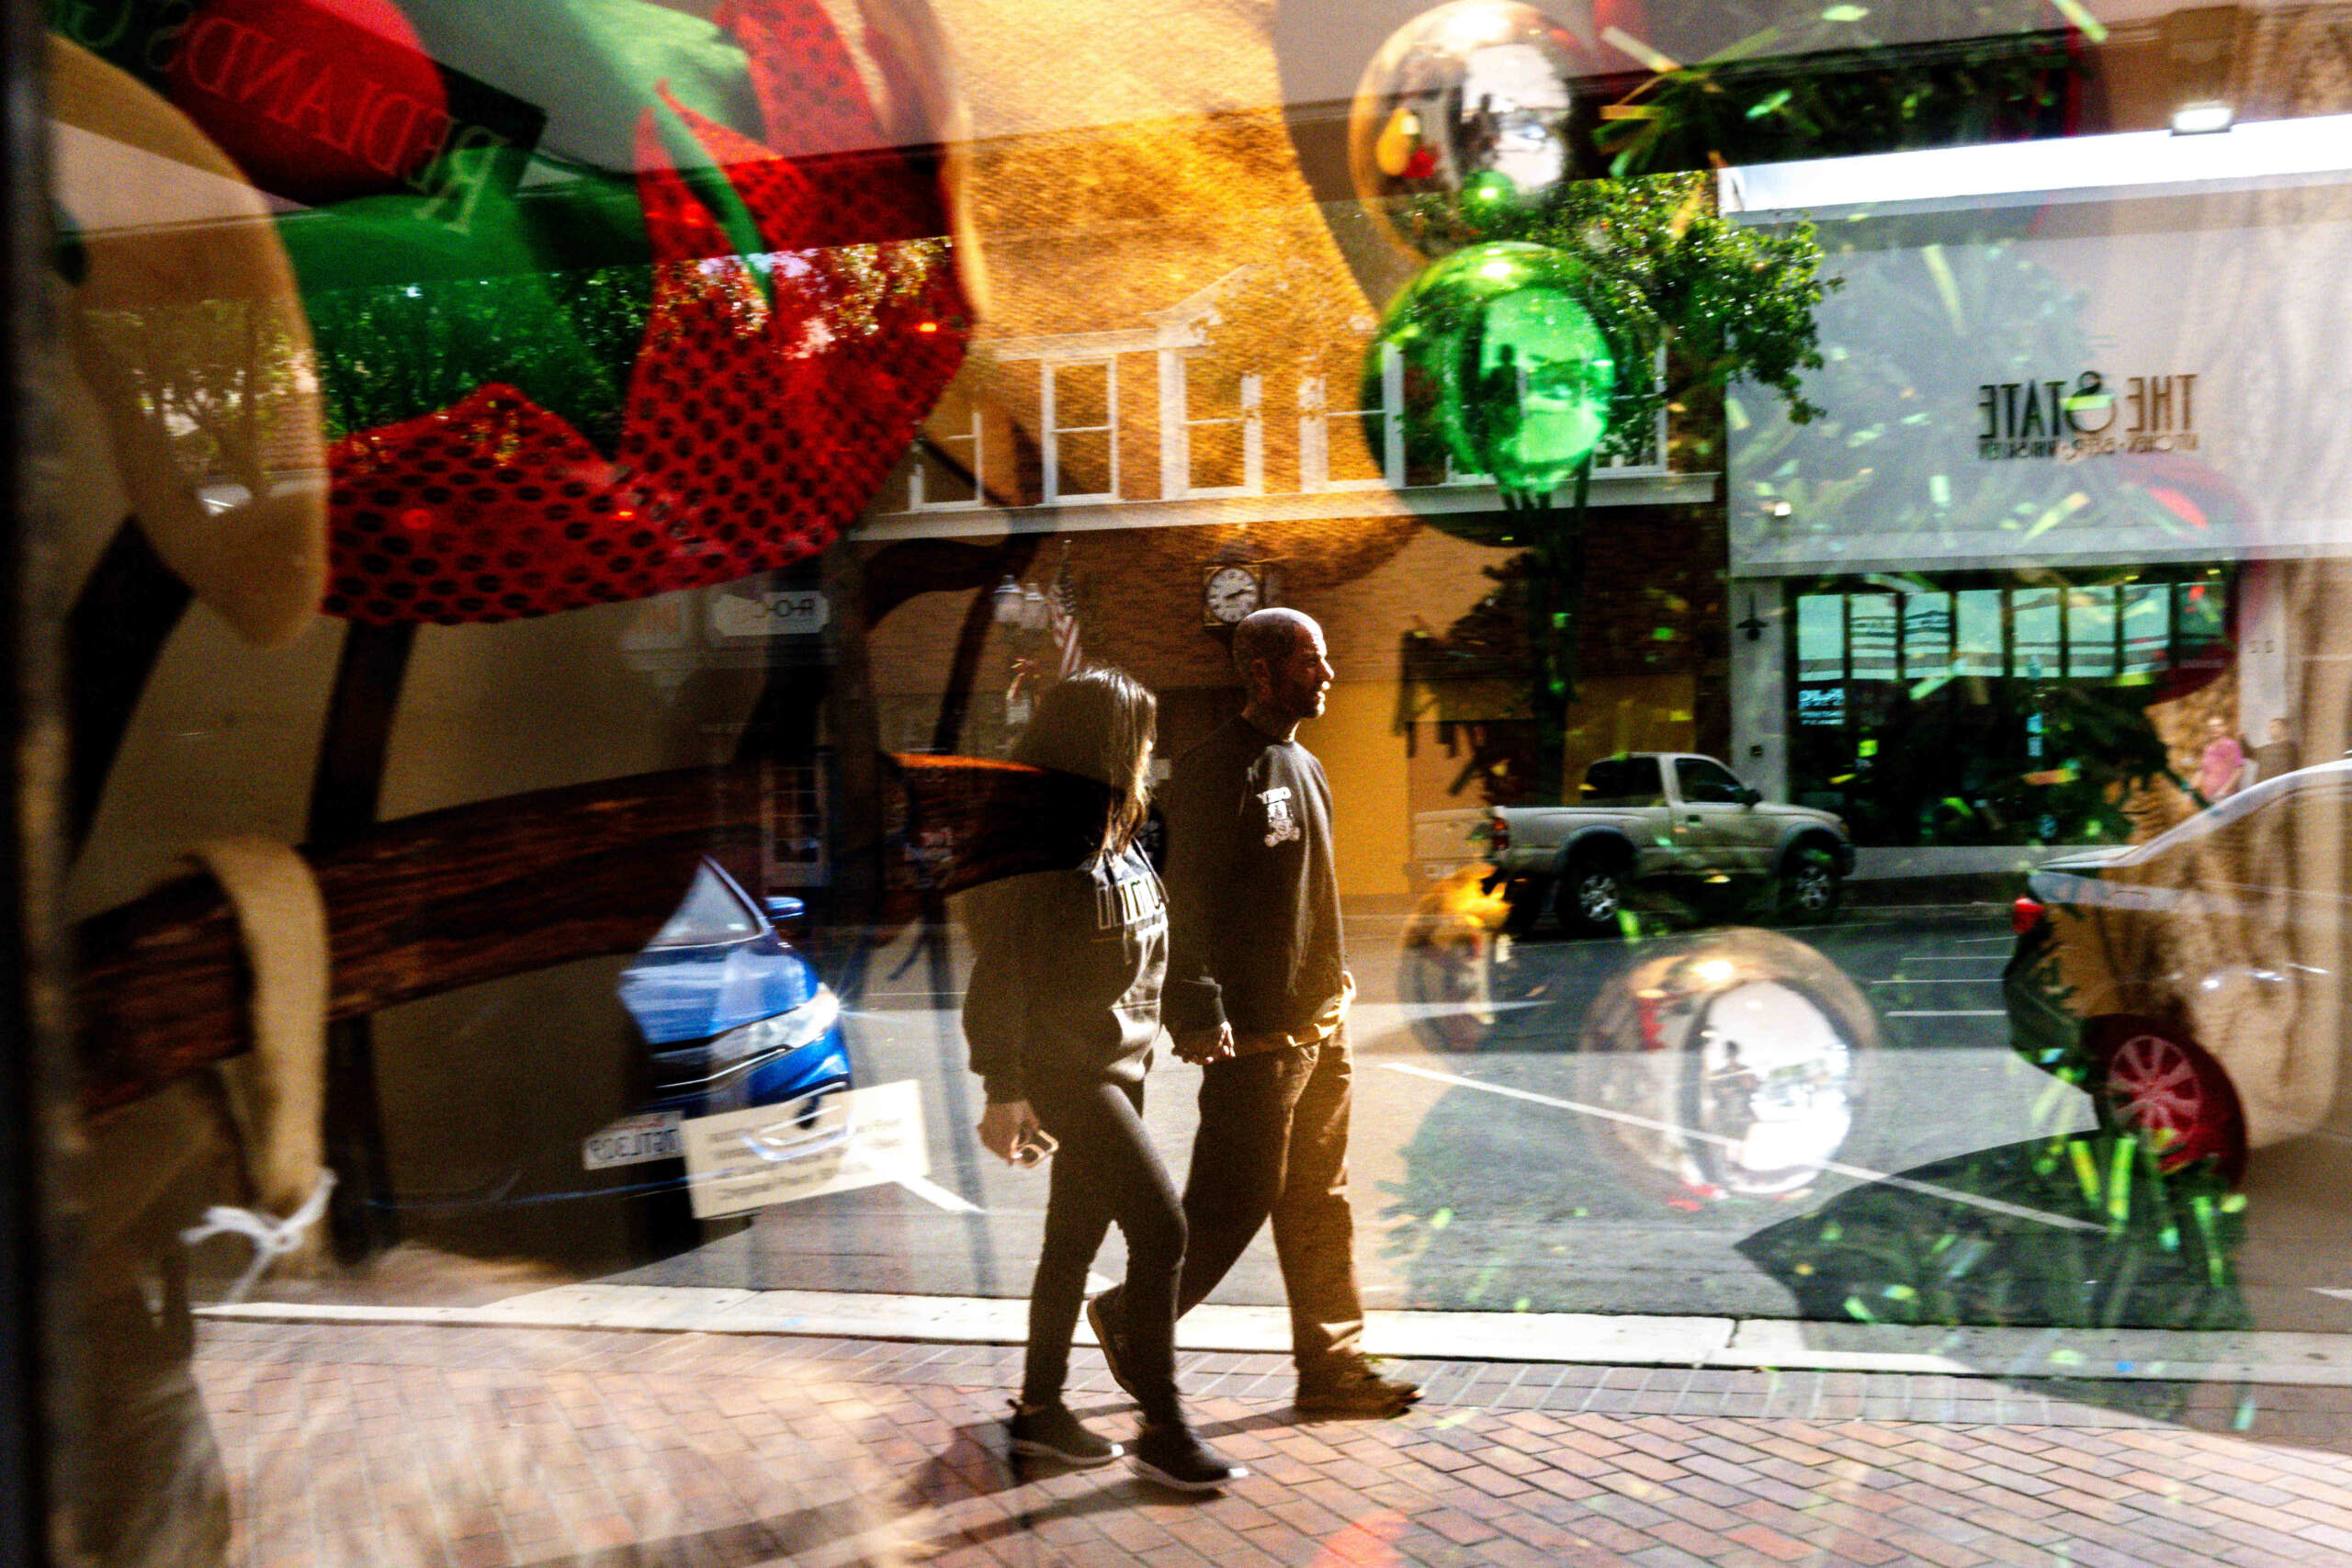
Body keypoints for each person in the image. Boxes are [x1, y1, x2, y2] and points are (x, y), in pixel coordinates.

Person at [1091, 609, 1420, 1418]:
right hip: (1254, 1036)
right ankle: (1131, 1315)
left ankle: (1332, 1366)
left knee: (1320, 1198)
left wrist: (1334, 988)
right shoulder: (1212, 771)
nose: (1328, 675)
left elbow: (1307, 897)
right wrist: (1198, 1008)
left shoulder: (1308, 768)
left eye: (1328, 656)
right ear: (1263, 673)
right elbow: (1184, 901)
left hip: (1320, 1028)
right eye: (1311, 660)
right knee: (1232, 1202)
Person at [961, 666, 1245, 1492]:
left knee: (1072, 1242)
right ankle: (1164, 1426)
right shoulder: (1042, 851)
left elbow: (1166, 935)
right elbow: (999, 977)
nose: (1151, 753)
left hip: (1121, 1067)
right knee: (1163, 1231)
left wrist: (1197, 1008)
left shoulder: (1115, 837)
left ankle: (1040, 1411)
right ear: (1107, 744)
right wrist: (1003, 1086)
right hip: (1067, 1073)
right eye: (1143, 736)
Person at [2196, 714, 2248, 803]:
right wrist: (2194, 787)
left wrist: (2223, 791)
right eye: (2211, 727)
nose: (2214, 729)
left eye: (2218, 726)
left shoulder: (2231, 745)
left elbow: (2239, 770)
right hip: (2208, 798)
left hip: (2225, 798)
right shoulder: (2208, 748)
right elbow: (2203, 770)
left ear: (2225, 728)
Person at [2252, 716, 2301, 784]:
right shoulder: (2268, 748)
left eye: (2273, 727)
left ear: (2284, 729)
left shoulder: (2289, 749)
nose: (2270, 730)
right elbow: (2252, 754)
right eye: (2270, 727)